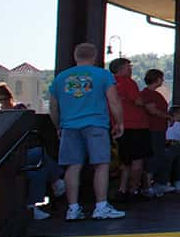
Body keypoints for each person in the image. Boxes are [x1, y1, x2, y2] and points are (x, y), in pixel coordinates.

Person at [49, 42, 125, 220]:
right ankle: (100, 206)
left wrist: (58, 126)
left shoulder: (60, 78)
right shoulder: (103, 75)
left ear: (75, 56)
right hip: (96, 124)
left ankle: (73, 208)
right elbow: (114, 101)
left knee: (73, 166)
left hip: (69, 126)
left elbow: (53, 106)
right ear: (95, 56)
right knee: (101, 164)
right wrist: (119, 122)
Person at [0, 83, 61, 220]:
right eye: (0, 99)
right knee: (39, 155)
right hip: (8, 153)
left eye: (5, 98)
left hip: (20, 150)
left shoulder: (19, 109)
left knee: (38, 167)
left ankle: (33, 207)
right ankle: (56, 180)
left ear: (10, 96)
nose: (4, 101)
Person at [111, 59, 157, 200]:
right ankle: (134, 189)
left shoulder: (109, 83)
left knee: (125, 161)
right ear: (122, 68)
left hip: (119, 125)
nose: (131, 69)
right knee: (137, 160)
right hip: (136, 125)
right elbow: (137, 100)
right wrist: (146, 103)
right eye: (128, 67)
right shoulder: (128, 82)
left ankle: (122, 189)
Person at [135, 69, 180, 196]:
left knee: (159, 155)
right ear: (157, 79)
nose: (163, 80)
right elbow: (152, 110)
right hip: (153, 129)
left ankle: (158, 183)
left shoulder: (154, 94)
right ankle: (148, 186)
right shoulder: (148, 94)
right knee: (153, 156)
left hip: (159, 129)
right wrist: (168, 117)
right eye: (161, 78)